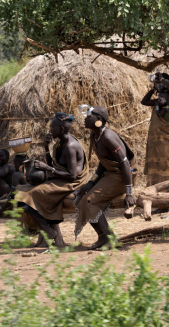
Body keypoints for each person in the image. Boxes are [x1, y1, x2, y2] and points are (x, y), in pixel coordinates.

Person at [15, 112, 90, 248]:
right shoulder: (60, 143)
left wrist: (49, 170)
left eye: (53, 127)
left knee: (31, 195)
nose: (50, 130)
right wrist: (46, 147)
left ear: (61, 129)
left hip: (72, 183)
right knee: (20, 192)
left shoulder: (70, 146)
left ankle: (48, 231)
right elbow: (55, 164)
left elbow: (72, 175)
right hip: (61, 179)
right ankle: (47, 231)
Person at [73, 106, 136, 250]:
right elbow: (104, 162)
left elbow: (124, 162)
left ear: (99, 120)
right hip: (111, 174)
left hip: (123, 176)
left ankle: (110, 238)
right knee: (83, 200)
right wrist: (91, 183)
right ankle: (102, 237)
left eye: (89, 116)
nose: (85, 119)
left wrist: (129, 193)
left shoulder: (107, 137)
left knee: (90, 201)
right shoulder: (95, 136)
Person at [141, 72, 169, 186]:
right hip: (157, 142)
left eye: (158, 83)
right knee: (158, 162)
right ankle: (157, 186)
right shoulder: (158, 103)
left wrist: (162, 80)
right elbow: (144, 101)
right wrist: (152, 88)